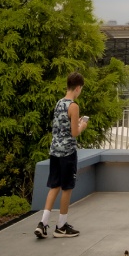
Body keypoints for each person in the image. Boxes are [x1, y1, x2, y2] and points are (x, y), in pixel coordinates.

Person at [35, 72, 88, 239]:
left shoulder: (59, 103)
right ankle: (61, 226)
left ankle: (42, 223)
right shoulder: (74, 106)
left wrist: (75, 122)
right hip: (67, 153)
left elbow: (61, 127)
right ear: (78, 88)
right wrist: (83, 125)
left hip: (55, 152)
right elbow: (74, 133)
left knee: (54, 186)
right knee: (67, 188)